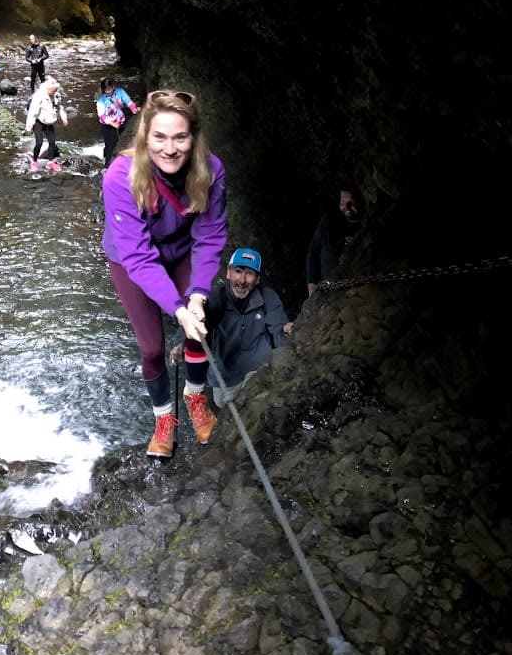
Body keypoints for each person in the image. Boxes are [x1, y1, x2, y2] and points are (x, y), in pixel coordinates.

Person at [101, 89, 227, 458]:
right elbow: (138, 257)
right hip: (131, 259)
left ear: (193, 137)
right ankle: (164, 418)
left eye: (179, 137)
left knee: (199, 326)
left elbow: (210, 235)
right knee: (152, 347)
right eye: (159, 137)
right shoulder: (120, 176)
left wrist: (198, 296)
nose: (169, 148)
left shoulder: (211, 170)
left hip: (181, 249)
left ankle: (195, 396)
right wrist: (178, 308)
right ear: (145, 137)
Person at [205, 247, 293, 408]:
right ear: (228, 273)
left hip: (259, 368)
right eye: (238, 271)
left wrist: (288, 333)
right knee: (225, 407)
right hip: (225, 377)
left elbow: (279, 333)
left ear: (257, 279)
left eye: (250, 274)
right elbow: (195, 321)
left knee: (256, 402)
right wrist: (180, 342)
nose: (242, 280)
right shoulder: (216, 298)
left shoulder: (268, 297)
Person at [306, 186, 362, 296]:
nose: (347, 208)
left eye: (351, 203)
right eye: (343, 203)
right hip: (330, 286)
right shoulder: (329, 222)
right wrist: (311, 281)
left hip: (356, 283)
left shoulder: (367, 226)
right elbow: (313, 250)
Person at [24, 76, 68, 172]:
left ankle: (51, 161)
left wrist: (64, 118)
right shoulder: (39, 96)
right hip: (39, 122)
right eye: (53, 90)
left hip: (49, 122)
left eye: (56, 90)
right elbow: (32, 112)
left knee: (52, 142)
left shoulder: (56, 95)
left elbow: (60, 107)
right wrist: (29, 126)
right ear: (47, 88)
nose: (55, 92)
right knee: (39, 143)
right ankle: (35, 161)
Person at [96, 77, 140, 168]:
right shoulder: (101, 100)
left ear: (113, 87)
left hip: (120, 122)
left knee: (119, 142)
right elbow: (102, 116)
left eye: (109, 89)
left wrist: (134, 109)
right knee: (110, 145)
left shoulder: (120, 92)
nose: (108, 91)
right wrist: (113, 123)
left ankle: (111, 159)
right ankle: (107, 166)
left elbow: (128, 101)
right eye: (106, 90)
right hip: (107, 125)